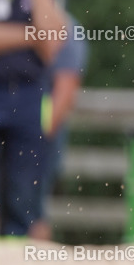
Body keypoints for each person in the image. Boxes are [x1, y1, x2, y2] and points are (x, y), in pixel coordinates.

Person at [0, 0, 67, 236]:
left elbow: (52, 43)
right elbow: (42, 35)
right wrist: (30, 35)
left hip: (29, 96)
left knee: (24, 192)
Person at [29, 14, 89, 241]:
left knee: (31, 210)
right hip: (20, 128)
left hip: (37, 131)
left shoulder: (67, 29)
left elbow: (65, 89)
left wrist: (37, 138)